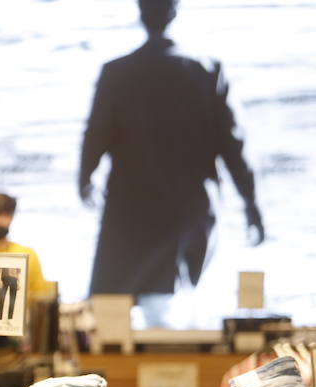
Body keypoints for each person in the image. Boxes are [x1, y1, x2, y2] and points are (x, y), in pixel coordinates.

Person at [79, 0, 263, 318]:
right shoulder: (206, 70)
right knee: (181, 311)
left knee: (114, 317)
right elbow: (233, 144)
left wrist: (85, 180)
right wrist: (251, 204)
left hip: (131, 212)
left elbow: (95, 135)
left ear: (140, 14)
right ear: (174, 14)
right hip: (190, 211)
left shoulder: (117, 72)